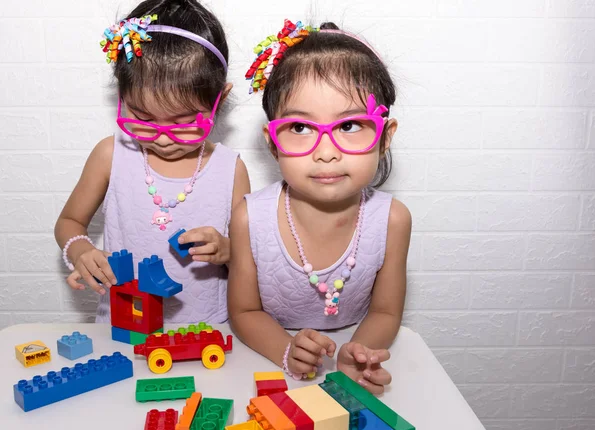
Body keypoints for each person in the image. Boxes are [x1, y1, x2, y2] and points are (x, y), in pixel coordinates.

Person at [228, 20, 411, 393]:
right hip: (261, 365)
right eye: (300, 128)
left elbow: (385, 311)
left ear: (385, 137)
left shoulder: (392, 219)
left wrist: (357, 353)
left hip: (349, 345)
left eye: (349, 126)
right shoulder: (250, 217)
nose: (326, 152)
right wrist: (286, 350)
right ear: (273, 141)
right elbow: (244, 312)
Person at [54, 0, 250, 323]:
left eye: (184, 122)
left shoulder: (230, 170)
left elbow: (250, 260)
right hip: (123, 326)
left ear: (220, 100)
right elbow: (69, 222)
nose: (161, 137)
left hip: (207, 331)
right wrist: (81, 251)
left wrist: (229, 251)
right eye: (143, 117)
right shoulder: (110, 155)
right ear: (123, 95)